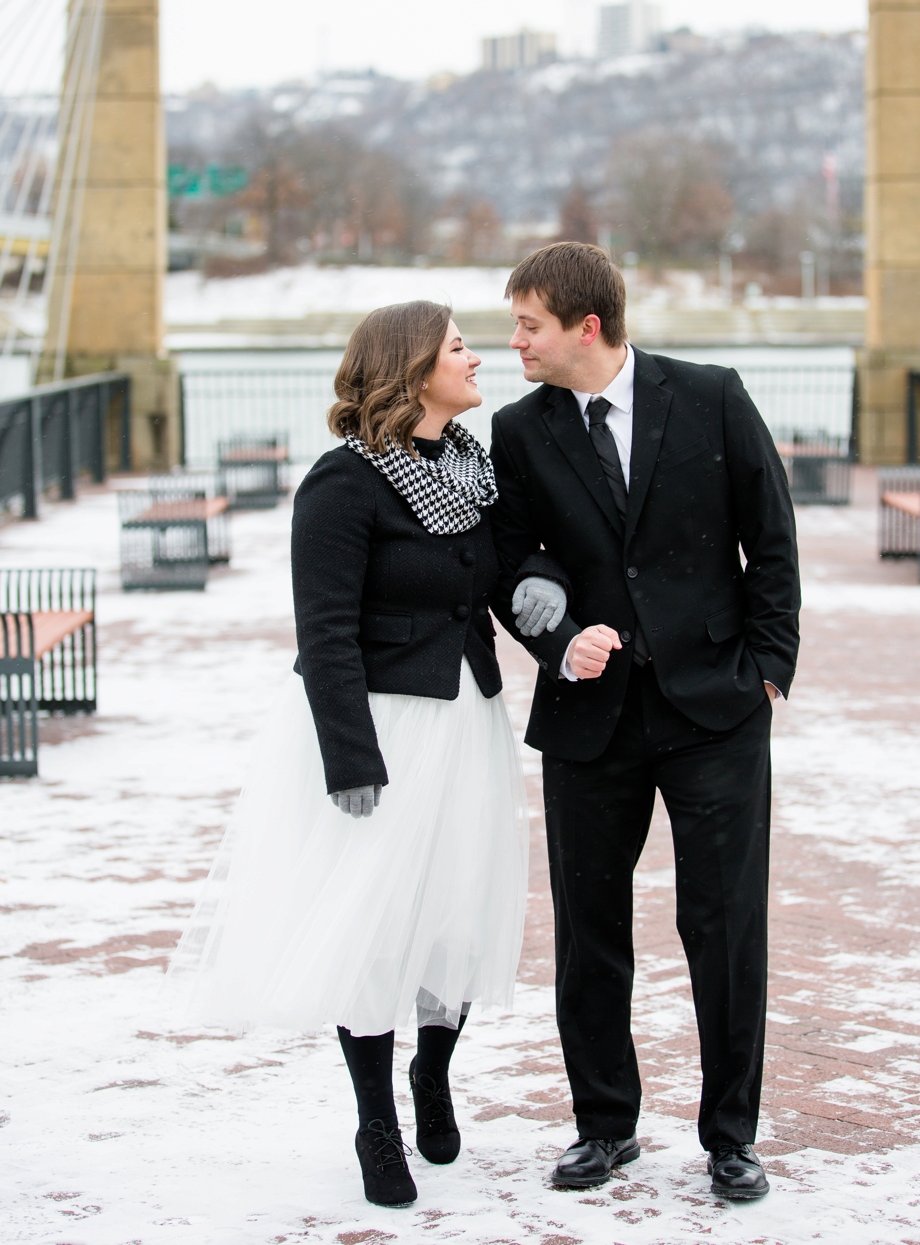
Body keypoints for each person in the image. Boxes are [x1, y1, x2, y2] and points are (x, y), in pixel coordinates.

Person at [167, 302, 554, 1209]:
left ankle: (434, 1074)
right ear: (414, 368)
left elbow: (499, 582)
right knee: (375, 925)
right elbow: (326, 631)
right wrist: (351, 757)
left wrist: (556, 623)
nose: (477, 358)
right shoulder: (343, 484)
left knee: (457, 907)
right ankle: (375, 1119)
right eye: (460, 347)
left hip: (467, 722)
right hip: (381, 729)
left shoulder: (471, 470)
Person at [487, 240, 800, 1201]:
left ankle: (730, 1137)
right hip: (591, 720)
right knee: (591, 931)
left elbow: (772, 535)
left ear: (586, 326)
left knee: (725, 926)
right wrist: (557, 639)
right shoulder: (517, 429)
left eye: (529, 325)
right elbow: (508, 564)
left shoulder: (709, 395)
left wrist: (768, 672)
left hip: (716, 711)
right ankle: (603, 1126)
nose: (516, 344)